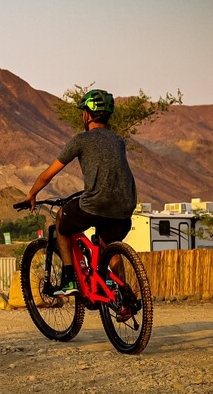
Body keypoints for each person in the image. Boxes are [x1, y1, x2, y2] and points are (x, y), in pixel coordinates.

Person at [19, 89, 137, 296]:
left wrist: (32, 194)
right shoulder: (119, 141)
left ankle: (69, 278)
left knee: (62, 220)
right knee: (108, 246)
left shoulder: (81, 140)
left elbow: (48, 174)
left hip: (96, 203)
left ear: (87, 114)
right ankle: (124, 294)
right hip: (126, 206)